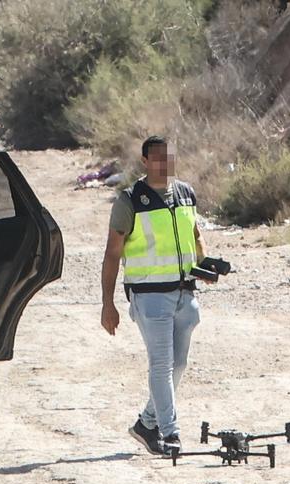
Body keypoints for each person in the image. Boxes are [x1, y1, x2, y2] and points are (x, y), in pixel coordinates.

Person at [100, 136, 207, 456]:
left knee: (179, 365)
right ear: (145, 161)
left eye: (169, 156)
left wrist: (206, 265)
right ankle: (170, 432)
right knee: (161, 364)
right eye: (158, 157)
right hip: (149, 298)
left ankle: (147, 423)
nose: (165, 162)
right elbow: (112, 254)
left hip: (185, 294)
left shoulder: (186, 193)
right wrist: (108, 303)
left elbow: (196, 236)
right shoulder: (130, 200)